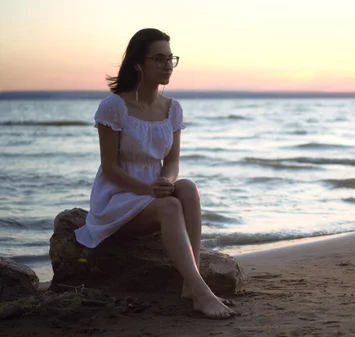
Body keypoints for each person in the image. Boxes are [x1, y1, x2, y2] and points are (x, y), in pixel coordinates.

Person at [74, 28, 238, 319]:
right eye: (159, 59)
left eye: (170, 59)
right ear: (139, 64)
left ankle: (191, 282)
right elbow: (110, 169)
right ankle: (202, 293)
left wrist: (167, 181)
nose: (167, 66)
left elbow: (173, 162)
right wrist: (148, 189)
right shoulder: (114, 106)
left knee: (187, 187)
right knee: (171, 205)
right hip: (118, 198)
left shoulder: (172, 108)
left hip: (153, 194)